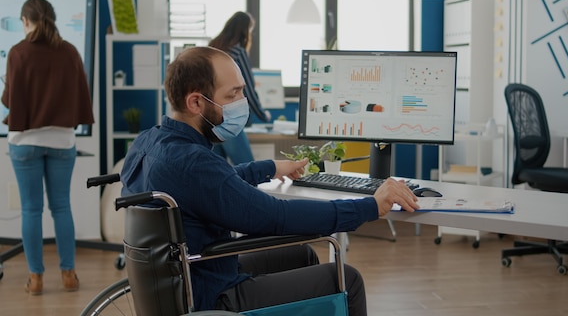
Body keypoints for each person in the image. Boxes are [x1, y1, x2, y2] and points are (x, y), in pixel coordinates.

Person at [120, 46, 420, 315]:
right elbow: (275, 216)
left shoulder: (150, 142)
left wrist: (269, 167)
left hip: (183, 278)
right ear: (196, 103)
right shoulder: (193, 162)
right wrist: (368, 207)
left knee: (300, 253)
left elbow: (212, 186)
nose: (242, 101)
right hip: (212, 293)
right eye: (233, 94)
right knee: (347, 279)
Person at [1, 0, 95, 295]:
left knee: (31, 209)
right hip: (62, 141)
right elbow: (81, 94)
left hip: (25, 142)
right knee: (61, 206)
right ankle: (69, 276)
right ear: (52, 19)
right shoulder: (69, 51)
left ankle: (36, 279)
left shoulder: (18, 52)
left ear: (27, 21)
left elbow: (10, 99)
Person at [209, 11, 271, 164]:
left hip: (209, 118)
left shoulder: (213, 49)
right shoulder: (238, 52)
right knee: (249, 170)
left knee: (217, 173)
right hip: (228, 118)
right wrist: (264, 116)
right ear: (245, 31)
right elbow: (248, 90)